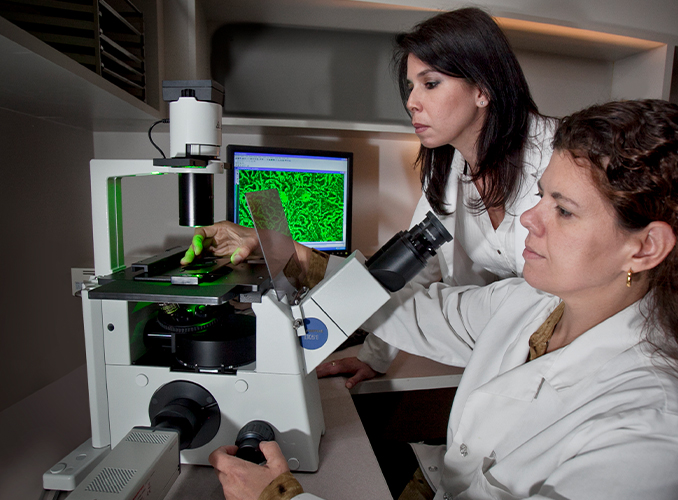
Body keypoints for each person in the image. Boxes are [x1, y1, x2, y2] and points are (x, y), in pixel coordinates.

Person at [209, 100, 678, 500]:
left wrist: (280, 497)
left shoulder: (658, 432)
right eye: (540, 195)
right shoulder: (531, 304)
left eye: (562, 209)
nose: (530, 219)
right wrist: (295, 256)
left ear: (645, 246)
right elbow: (415, 311)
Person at [182, 7, 556, 388]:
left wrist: (302, 259)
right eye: (410, 86)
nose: (411, 101)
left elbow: (515, 310)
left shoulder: (561, 165)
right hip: (500, 350)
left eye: (429, 84)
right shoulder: (448, 170)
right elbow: (416, 272)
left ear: (482, 89)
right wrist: (373, 357)